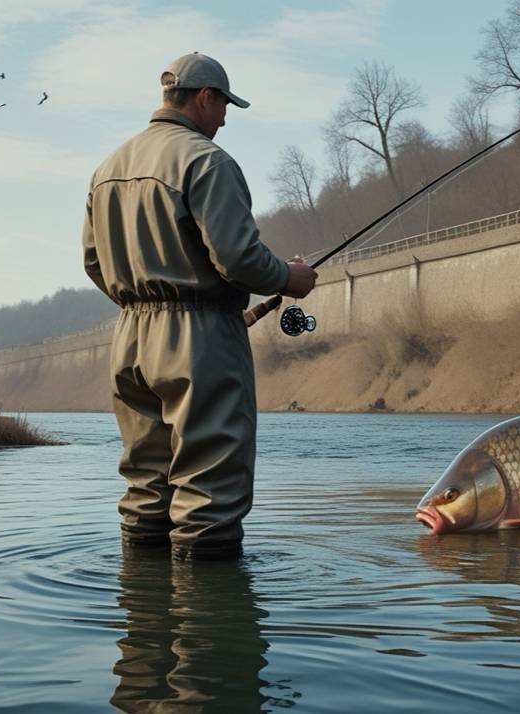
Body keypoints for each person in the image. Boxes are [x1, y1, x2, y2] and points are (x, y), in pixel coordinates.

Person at [82, 52, 317, 559]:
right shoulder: (206, 161)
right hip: (199, 338)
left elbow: (93, 262)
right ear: (204, 97)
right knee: (210, 489)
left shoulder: (108, 168)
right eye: (224, 105)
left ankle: (145, 625)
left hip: (129, 338)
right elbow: (237, 258)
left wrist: (144, 301)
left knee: (146, 485)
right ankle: (208, 628)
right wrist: (289, 278)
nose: (226, 118)